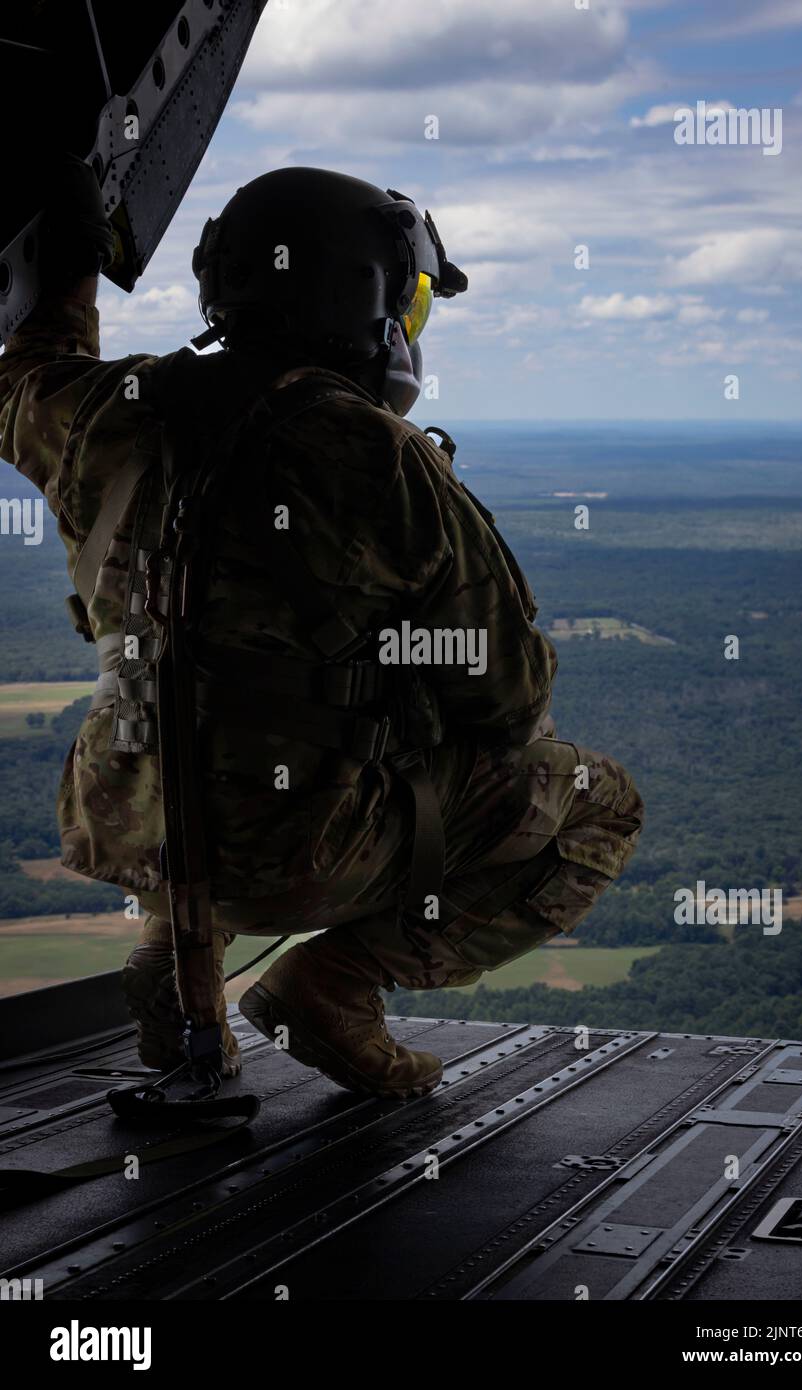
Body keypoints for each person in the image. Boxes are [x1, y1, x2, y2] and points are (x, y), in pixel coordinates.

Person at [0, 160, 643, 1100]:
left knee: (205, 729)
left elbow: (26, 369)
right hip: (303, 849)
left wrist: (75, 259)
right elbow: (506, 698)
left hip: (126, 821)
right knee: (596, 799)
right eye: (412, 303)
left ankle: (175, 958)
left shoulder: (103, 413)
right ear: (367, 297)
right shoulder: (377, 455)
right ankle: (334, 983)